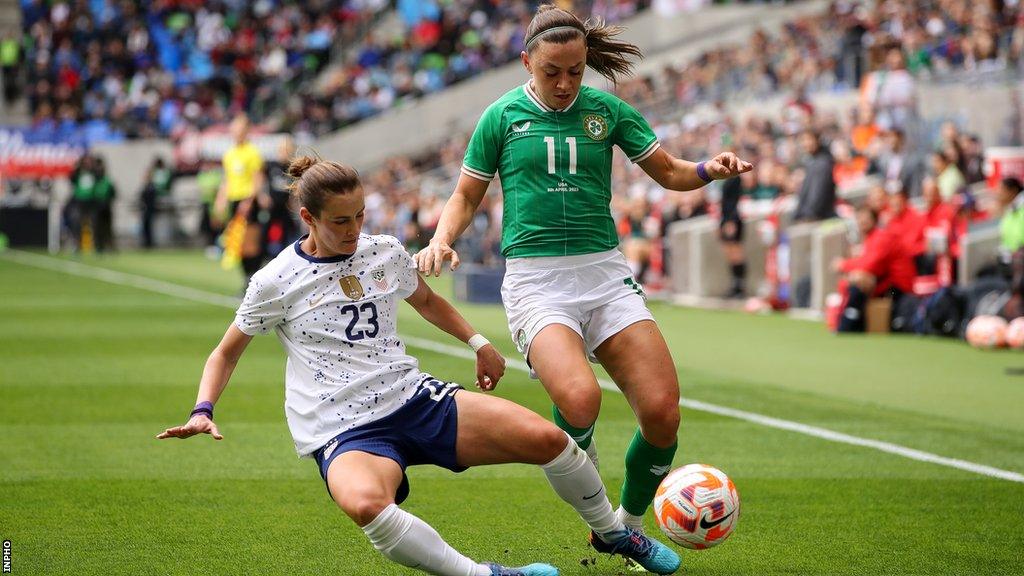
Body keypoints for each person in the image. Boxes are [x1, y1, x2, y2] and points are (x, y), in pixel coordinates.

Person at [157, 157, 680, 576]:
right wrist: (203, 408)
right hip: (342, 426)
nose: (355, 229)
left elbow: (426, 301)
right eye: (340, 221)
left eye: (360, 215)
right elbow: (226, 351)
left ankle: (613, 533)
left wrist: (479, 342)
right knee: (366, 504)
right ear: (309, 219)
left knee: (550, 440)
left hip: (413, 397)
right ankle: (485, 575)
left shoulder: (383, 250)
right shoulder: (275, 280)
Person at [414, 3, 751, 558]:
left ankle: (622, 522)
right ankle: (599, 506)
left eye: (576, 70)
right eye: (552, 72)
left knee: (664, 414)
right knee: (580, 399)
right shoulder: (500, 117)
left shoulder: (607, 110)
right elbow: (467, 194)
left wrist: (707, 170)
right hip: (536, 282)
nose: (566, 82)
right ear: (527, 62)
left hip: (604, 274)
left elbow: (668, 172)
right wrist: (441, 238)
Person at [832, 206, 916, 332]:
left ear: (874, 220)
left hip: (897, 290)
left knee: (860, 279)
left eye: (866, 218)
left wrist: (843, 265)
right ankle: (849, 321)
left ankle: (849, 323)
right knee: (856, 278)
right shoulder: (870, 238)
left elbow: (870, 265)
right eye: (859, 218)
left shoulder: (882, 237)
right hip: (885, 283)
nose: (862, 221)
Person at [215, 114, 268, 289]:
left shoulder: (252, 153)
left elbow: (257, 178)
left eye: (239, 130)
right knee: (236, 242)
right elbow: (227, 179)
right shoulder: (229, 154)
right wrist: (221, 199)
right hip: (233, 199)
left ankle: (252, 279)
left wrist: (249, 200)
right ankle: (246, 279)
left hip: (247, 200)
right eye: (234, 130)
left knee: (250, 242)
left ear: (246, 131)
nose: (236, 133)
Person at [793, 130, 836, 223]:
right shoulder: (810, 161)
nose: (806, 143)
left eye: (809, 139)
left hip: (819, 217)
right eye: (803, 140)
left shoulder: (822, 163)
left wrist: (807, 215)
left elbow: (817, 193)